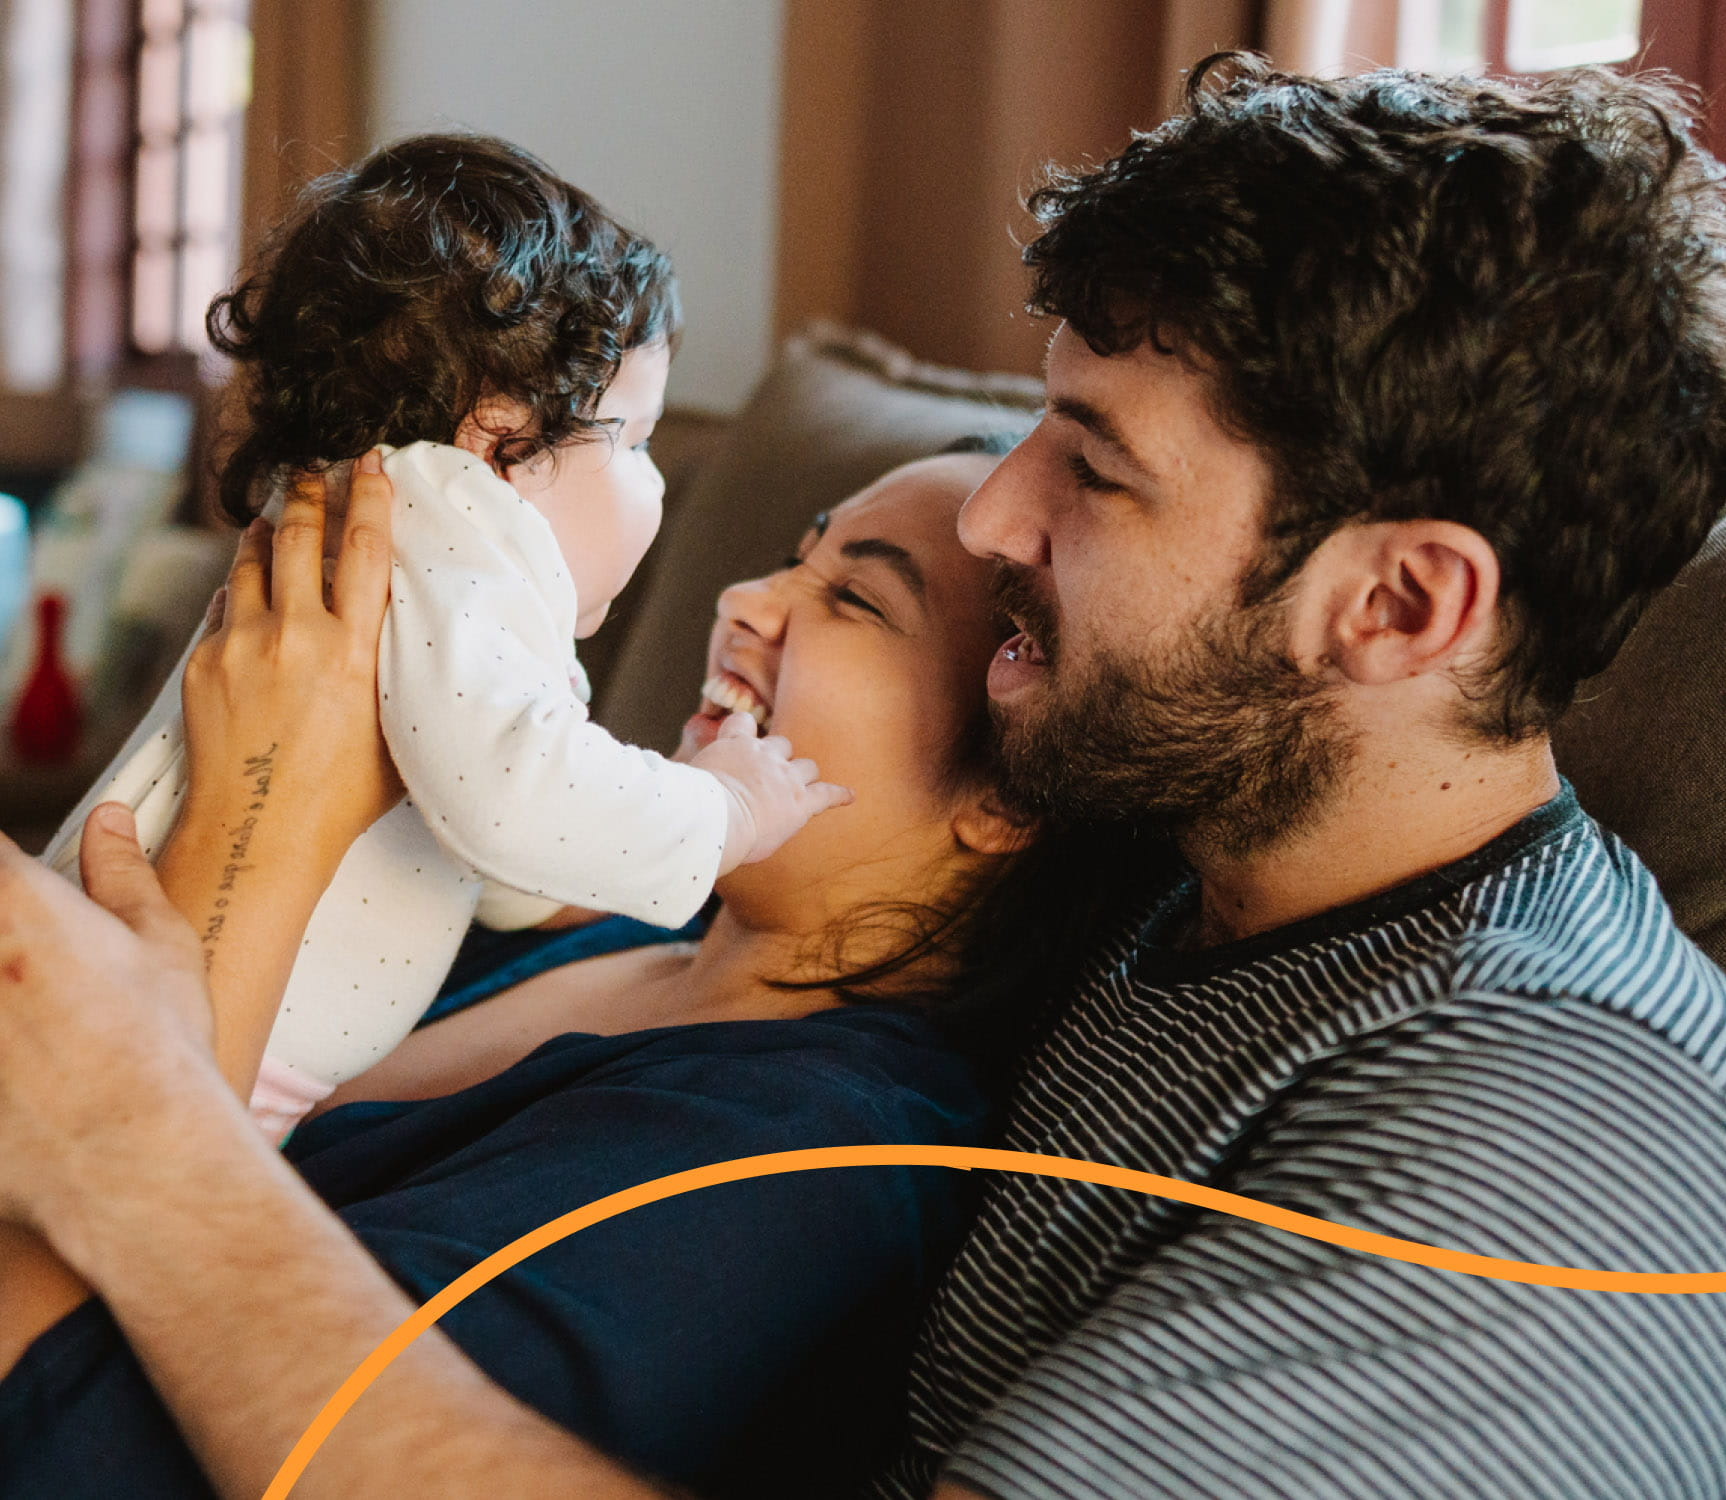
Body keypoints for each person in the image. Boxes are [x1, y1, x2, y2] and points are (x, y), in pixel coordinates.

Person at [0, 54, 1726, 1500]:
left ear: (1397, 604)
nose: (995, 518)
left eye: (1094, 470)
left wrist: (146, 1129)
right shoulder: (1190, 887)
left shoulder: (1563, 1136)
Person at [0, 442, 1128, 1497]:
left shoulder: (793, 1169)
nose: (744, 600)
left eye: (855, 599)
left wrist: (264, 803)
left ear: (1005, 796)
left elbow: (80, 1446)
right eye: (798, 554)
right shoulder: (623, 930)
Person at [40, 134, 845, 1144]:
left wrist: (582, 877)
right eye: (634, 441)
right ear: (494, 433)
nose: (655, 483)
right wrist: (727, 808)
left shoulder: (394, 540)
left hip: (188, 1025)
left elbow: (480, 829)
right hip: (179, 1029)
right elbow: (515, 793)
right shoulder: (448, 528)